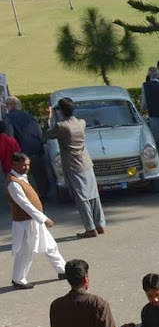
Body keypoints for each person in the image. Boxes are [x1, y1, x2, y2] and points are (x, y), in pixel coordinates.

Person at [44, 98, 105, 237]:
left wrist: (48, 119)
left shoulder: (61, 126)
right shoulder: (81, 122)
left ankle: (90, 228)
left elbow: (46, 135)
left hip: (73, 165)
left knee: (81, 198)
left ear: (61, 111)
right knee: (93, 195)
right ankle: (99, 224)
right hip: (86, 162)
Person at [7, 155, 65, 289]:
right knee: (24, 252)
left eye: (27, 165)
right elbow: (25, 205)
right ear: (14, 164)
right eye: (23, 165)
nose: (26, 168)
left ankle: (62, 270)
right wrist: (44, 219)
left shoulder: (21, 177)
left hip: (33, 221)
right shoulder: (13, 183)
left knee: (50, 246)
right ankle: (18, 279)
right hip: (24, 223)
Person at [5, 96, 48, 196]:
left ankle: (29, 196)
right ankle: (43, 194)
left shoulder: (8, 117)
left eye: (7, 105)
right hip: (36, 149)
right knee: (40, 175)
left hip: (22, 151)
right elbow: (39, 131)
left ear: (12, 105)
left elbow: (10, 136)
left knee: (23, 176)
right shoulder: (29, 115)